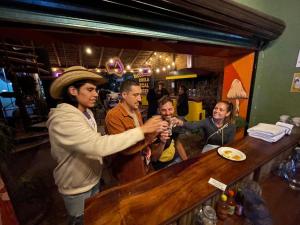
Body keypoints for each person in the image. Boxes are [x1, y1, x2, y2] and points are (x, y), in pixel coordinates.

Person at [46, 66, 165, 225]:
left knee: (97, 218)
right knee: (82, 220)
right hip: (77, 189)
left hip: (94, 179)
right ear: (73, 91)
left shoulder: (87, 114)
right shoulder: (63, 120)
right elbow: (99, 145)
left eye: (95, 89)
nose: (96, 94)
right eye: (90, 89)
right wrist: (144, 131)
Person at [105, 79, 168, 184]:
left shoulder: (136, 111)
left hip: (143, 165)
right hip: (128, 172)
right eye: (136, 95)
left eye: (140, 95)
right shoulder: (113, 116)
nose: (140, 99)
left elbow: (141, 136)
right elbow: (124, 149)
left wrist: (157, 131)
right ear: (124, 95)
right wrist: (150, 134)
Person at [151, 96, 188, 170]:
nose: (168, 113)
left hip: (175, 159)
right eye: (163, 110)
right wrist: (162, 142)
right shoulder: (154, 127)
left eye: (170, 109)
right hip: (161, 166)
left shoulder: (174, 122)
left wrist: (187, 162)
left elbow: (177, 143)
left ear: (174, 109)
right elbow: (154, 159)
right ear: (159, 111)